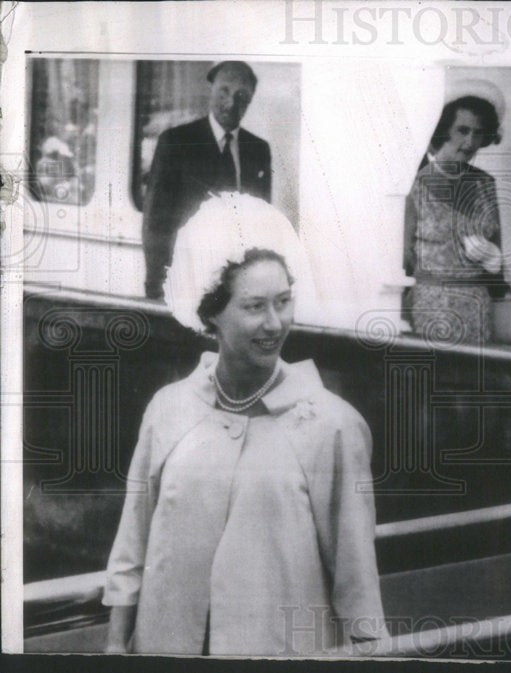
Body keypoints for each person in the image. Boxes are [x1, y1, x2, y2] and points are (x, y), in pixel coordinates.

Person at [104, 194, 385, 655]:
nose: (275, 323)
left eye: (284, 301)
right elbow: (132, 546)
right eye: (255, 306)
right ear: (211, 311)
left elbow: (357, 580)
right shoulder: (167, 410)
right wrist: (116, 647)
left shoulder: (332, 426)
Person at [142, 60, 272, 300]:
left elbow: (261, 222)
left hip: (237, 286)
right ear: (210, 89)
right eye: (224, 91)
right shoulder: (176, 142)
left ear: (250, 102)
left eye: (241, 97)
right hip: (186, 282)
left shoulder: (258, 150)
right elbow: (155, 222)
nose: (231, 103)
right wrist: (157, 287)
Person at [402, 80, 508, 344]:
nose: (469, 141)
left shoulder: (486, 184)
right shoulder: (414, 183)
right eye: (462, 130)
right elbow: (403, 258)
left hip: (477, 305)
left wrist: (495, 261)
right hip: (430, 304)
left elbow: (497, 255)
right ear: (443, 130)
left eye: (478, 132)